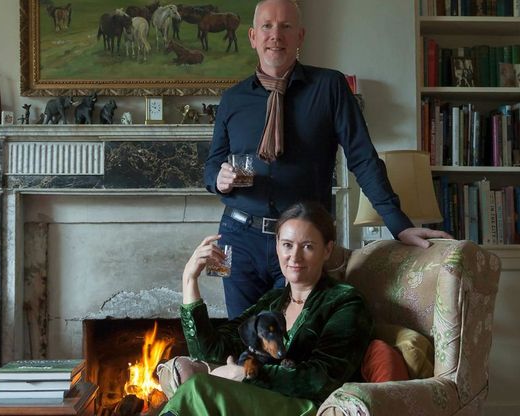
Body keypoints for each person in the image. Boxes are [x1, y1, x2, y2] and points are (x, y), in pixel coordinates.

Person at [204, 0, 451, 318]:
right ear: (253, 37)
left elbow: (363, 159)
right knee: (241, 335)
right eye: (267, 26)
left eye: (286, 26)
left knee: (297, 336)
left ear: (300, 36)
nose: (275, 35)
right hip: (236, 238)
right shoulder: (232, 98)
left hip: (302, 242)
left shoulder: (330, 86)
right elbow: (212, 164)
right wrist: (218, 178)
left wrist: (399, 225)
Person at [158, 201, 373, 416]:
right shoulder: (273, 301)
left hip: (307, 407)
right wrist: (189, 279)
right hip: (260, 400)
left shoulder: (345, 301)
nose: (295, 256)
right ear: (277, 245)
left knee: (199, 389)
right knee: (201, 391)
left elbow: (321, 379)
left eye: (307, 246)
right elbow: (210, 352)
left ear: (327, 250)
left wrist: (245, 374)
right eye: (287, 245)